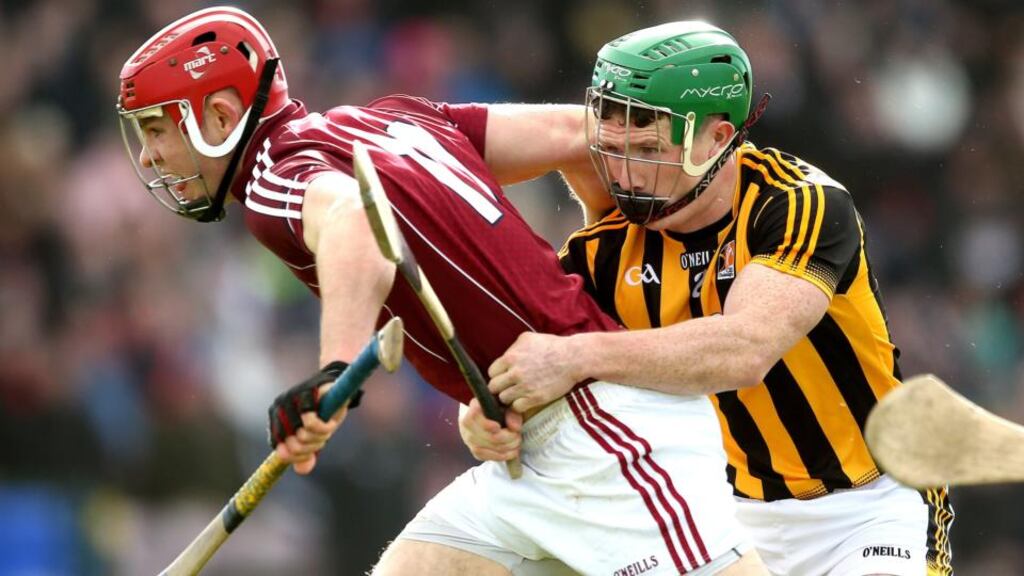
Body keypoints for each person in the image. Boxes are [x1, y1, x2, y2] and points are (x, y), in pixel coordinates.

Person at [116, 7, 768, 575]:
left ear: (219, 115)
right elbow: (584, 138)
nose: (146, 157)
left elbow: (354, 227)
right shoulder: (390, 117)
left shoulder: (272, 183)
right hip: (534, 445)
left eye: (154, 129)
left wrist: (334, 372)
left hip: (601, 431)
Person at [460, 21, 955, 576]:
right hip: (723, 515)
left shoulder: (801, 205)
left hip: (867, 507)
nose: (625, 175)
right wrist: (487, 413)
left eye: (648, 150)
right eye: (615, 149)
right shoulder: (604, 252)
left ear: (718, 139)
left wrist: (573, 357)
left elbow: (744, 350)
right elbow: (529, 366)